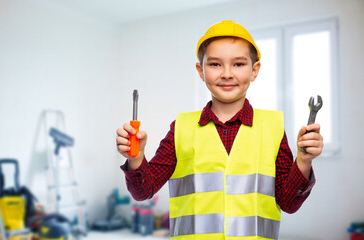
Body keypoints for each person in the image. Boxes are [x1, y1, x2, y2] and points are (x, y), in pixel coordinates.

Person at [116, 20, 323, 240]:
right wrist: (136, 159)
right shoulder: (181, 129)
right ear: (200, 70)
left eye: (238, 64)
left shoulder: (272, 128)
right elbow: (142, 191)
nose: (226, 74)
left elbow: (289, 204)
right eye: (215, 64)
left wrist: (303, 162)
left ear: (254, 70)